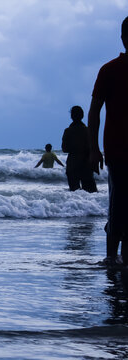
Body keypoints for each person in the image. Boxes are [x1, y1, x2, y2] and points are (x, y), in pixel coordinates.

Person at [88, 16, 128, 266]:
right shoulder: (109, 70)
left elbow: (94, 111)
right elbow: (94, 110)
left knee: (122, 206)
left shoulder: (109, 69)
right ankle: (111, 258)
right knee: (119, 205)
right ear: (124, 38)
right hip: (118, 151)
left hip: (116, 150)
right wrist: (94, 150)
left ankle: (119, 260)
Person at [61, 106, 97, 192]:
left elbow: (64, 149)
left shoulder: (68, 131)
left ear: (72, 116)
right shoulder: (88, 130)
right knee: (91, 194)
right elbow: (92, 148)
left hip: (72, 164)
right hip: (86, 164)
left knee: (75, 193)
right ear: (82, 116)